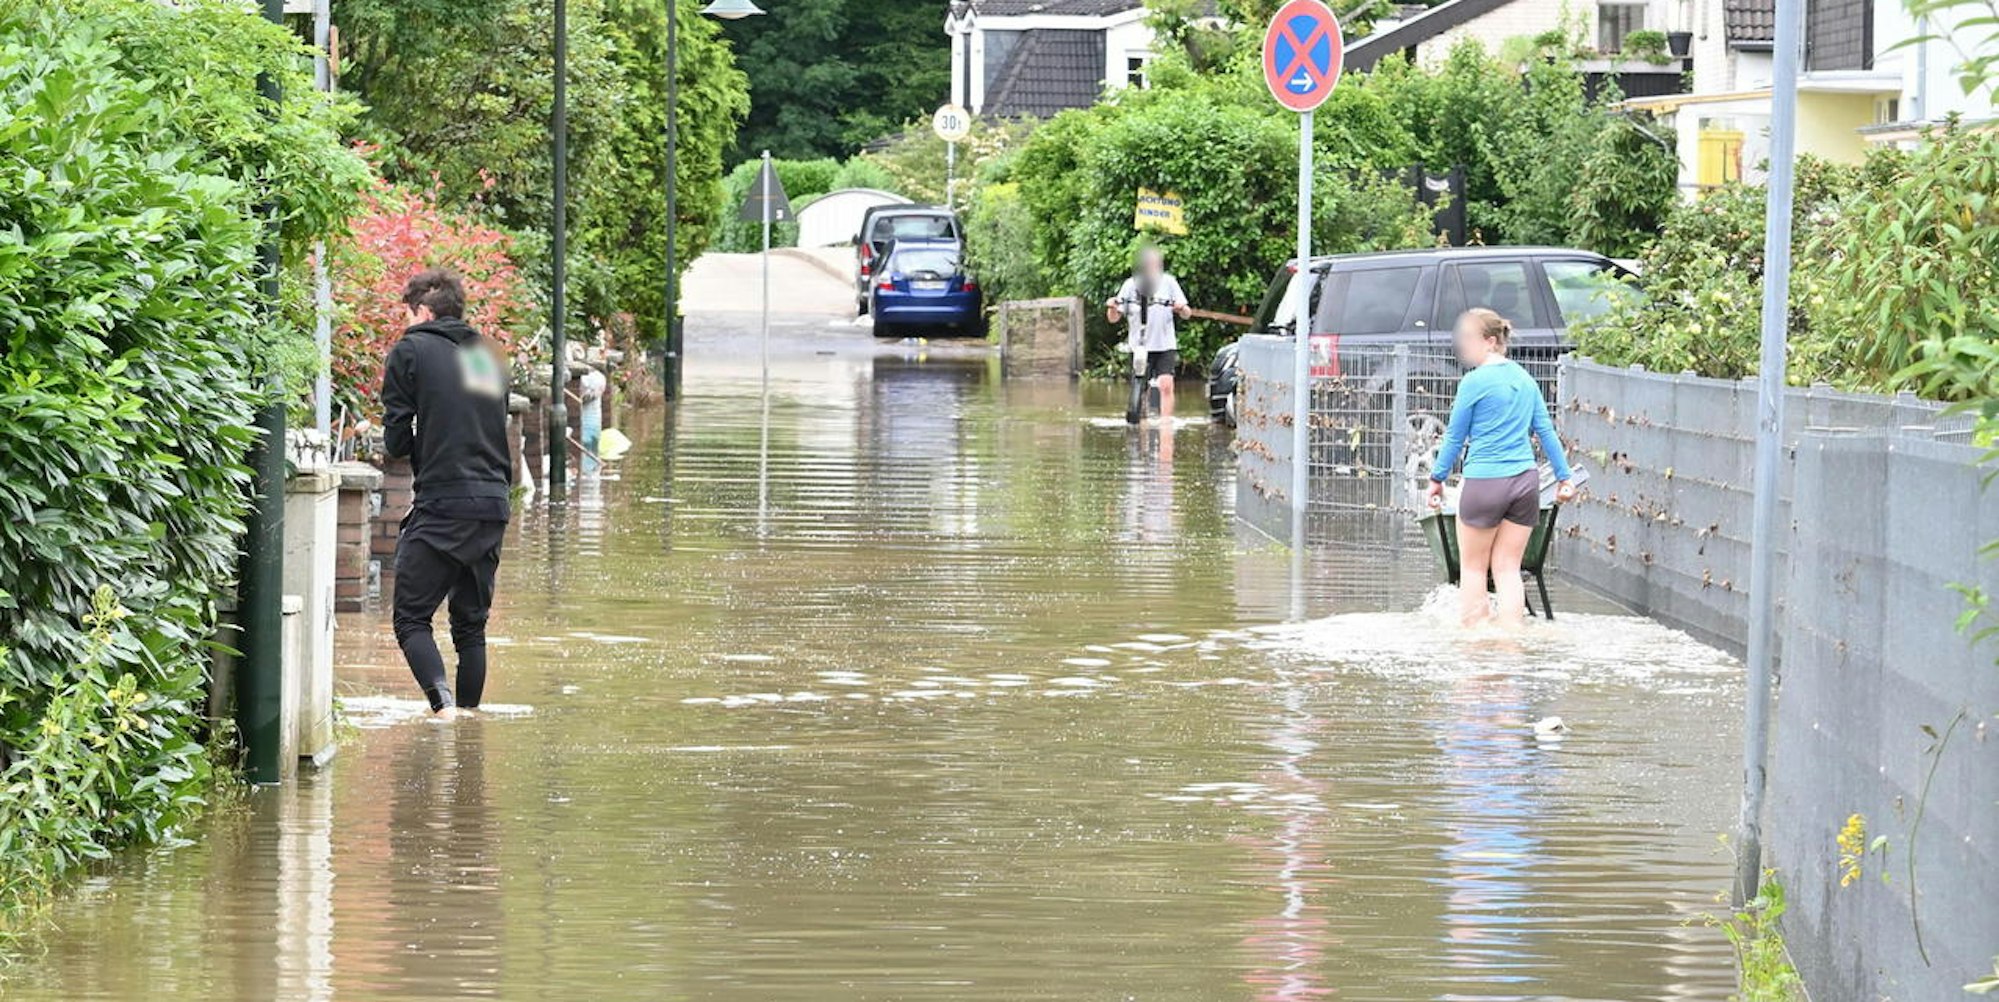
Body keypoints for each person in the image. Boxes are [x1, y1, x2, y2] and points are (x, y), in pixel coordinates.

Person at [380, 269, 513, 718]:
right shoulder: (486, 353)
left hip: (443, 502)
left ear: (422, 311)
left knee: (411, 618)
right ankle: (469, 724)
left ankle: (443, 709)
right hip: (493, 502)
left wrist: (415, 436)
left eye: (408, 312)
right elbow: (481, 417)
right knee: (471, 627)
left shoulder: (411, 350)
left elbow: (397, 441)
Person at [1424, 308, 1576, 629]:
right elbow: (1546, 431)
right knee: (1508, 568)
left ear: (1491, 341)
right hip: (1525, 483)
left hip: (1484, 482)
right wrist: (1565, 477)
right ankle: (1510, 639)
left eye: (1469, 338)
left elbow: (1454, 437)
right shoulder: (1525, 379)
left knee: (1473, 568)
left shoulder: (1473, 382)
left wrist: (1437, 478)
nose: (1462, 345)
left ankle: (1475, 641)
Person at [1106, 246, 1192, 421]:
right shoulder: (1130, 285)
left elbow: (1187, 314)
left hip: (1165, 344)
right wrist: (1112, 307)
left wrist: (1181, 308)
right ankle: (1141, 423)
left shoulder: (1169, 282)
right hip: (1139, 346)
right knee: (1140, 388)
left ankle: (1166, 423)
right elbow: (1113, 318)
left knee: (1166, 384)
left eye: (1156, 263)